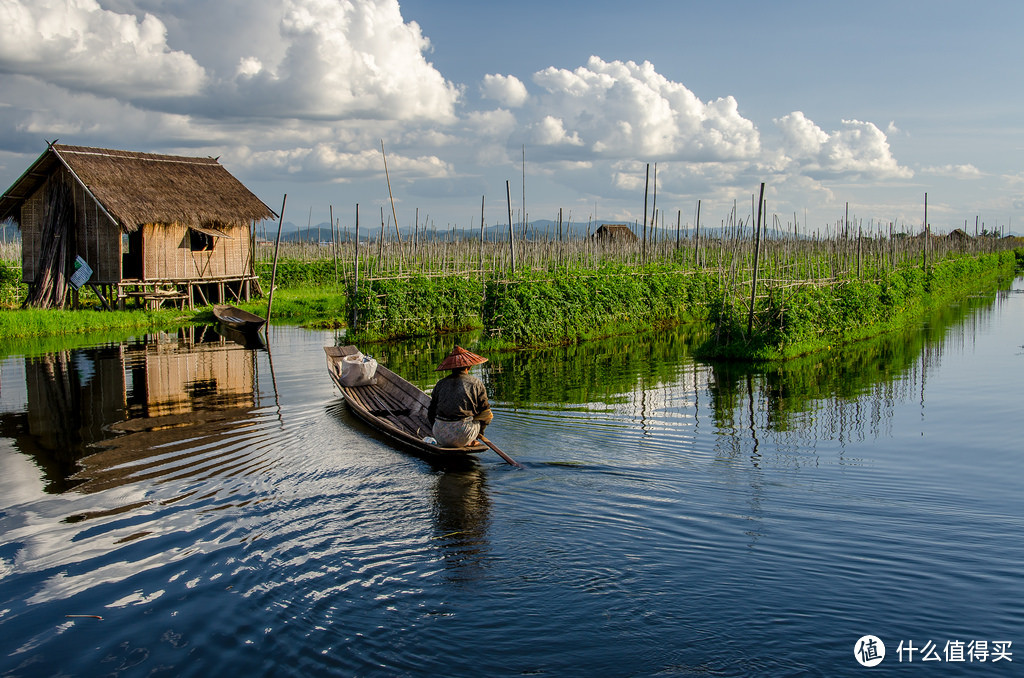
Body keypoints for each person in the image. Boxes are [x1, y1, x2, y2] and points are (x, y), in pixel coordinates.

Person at [427, 346, 493, 447]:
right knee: (487, 414)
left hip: (440, 435)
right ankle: (473, 440)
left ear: (451, 368)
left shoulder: (440, 384)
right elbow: (486, 413)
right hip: (464, 435)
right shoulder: (475, 383)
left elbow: (431, 413)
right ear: (469, 367)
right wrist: (480, 432)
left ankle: (461, 438)